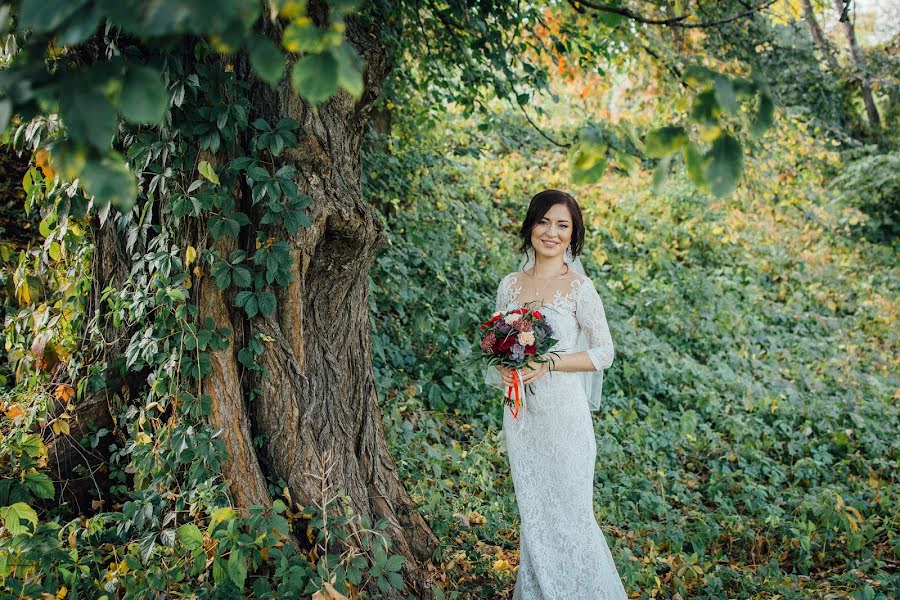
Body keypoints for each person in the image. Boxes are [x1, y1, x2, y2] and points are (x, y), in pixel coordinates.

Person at [484, 189, 628, 599]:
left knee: (571, 517)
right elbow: (498, 347)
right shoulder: (510, 285)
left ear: (572, 236)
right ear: (531, 225)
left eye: (562, 225)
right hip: (523, 418)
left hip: (566, 417)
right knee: (536, 516)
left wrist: (547, 363)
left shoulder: (579, 288)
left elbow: (604, 352)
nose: (551, 232)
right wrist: (508, 370)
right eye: (544, 221)